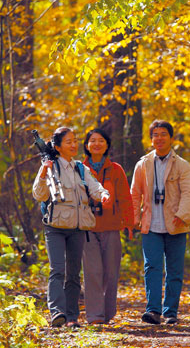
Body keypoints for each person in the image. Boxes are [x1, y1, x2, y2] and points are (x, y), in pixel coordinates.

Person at [32, 127, 109, 328]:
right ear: (57, 146)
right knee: (57, 270)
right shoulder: (49, 166)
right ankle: (57, 313)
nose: (74, 145)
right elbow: (39, 195)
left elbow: (94, 187)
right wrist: (42, 174)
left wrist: (103, 194)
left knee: (74, 273)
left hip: (77, 227)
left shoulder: (80, 168)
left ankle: (72, 317)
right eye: (68, 142)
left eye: (75, 141)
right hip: (55, 227)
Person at [130, 120, 190, 325]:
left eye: (163, 134)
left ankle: (171, 313)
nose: (159, 138)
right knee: (152, 267)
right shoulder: (143, 164)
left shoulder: (182, 165)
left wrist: (182, 214)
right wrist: (135, 219)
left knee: (174, 270)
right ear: (151, 139)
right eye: (155, 134)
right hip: (151, 224)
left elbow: (189, 192)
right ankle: (153, 311)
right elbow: (135, 193)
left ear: (171, 137)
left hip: (176, 224)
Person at [81, 128, 135, 325]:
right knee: (92, 271)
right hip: (87, 228)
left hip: (111, 227)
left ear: (107, 145)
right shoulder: (79, 168)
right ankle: (95, 315)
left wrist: (129, 223)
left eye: (101, 140)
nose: (96, 144)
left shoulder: (116, 169)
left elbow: (125, 198)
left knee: (111, 272)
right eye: (92, 141)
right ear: (87, 145)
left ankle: (108, 312)